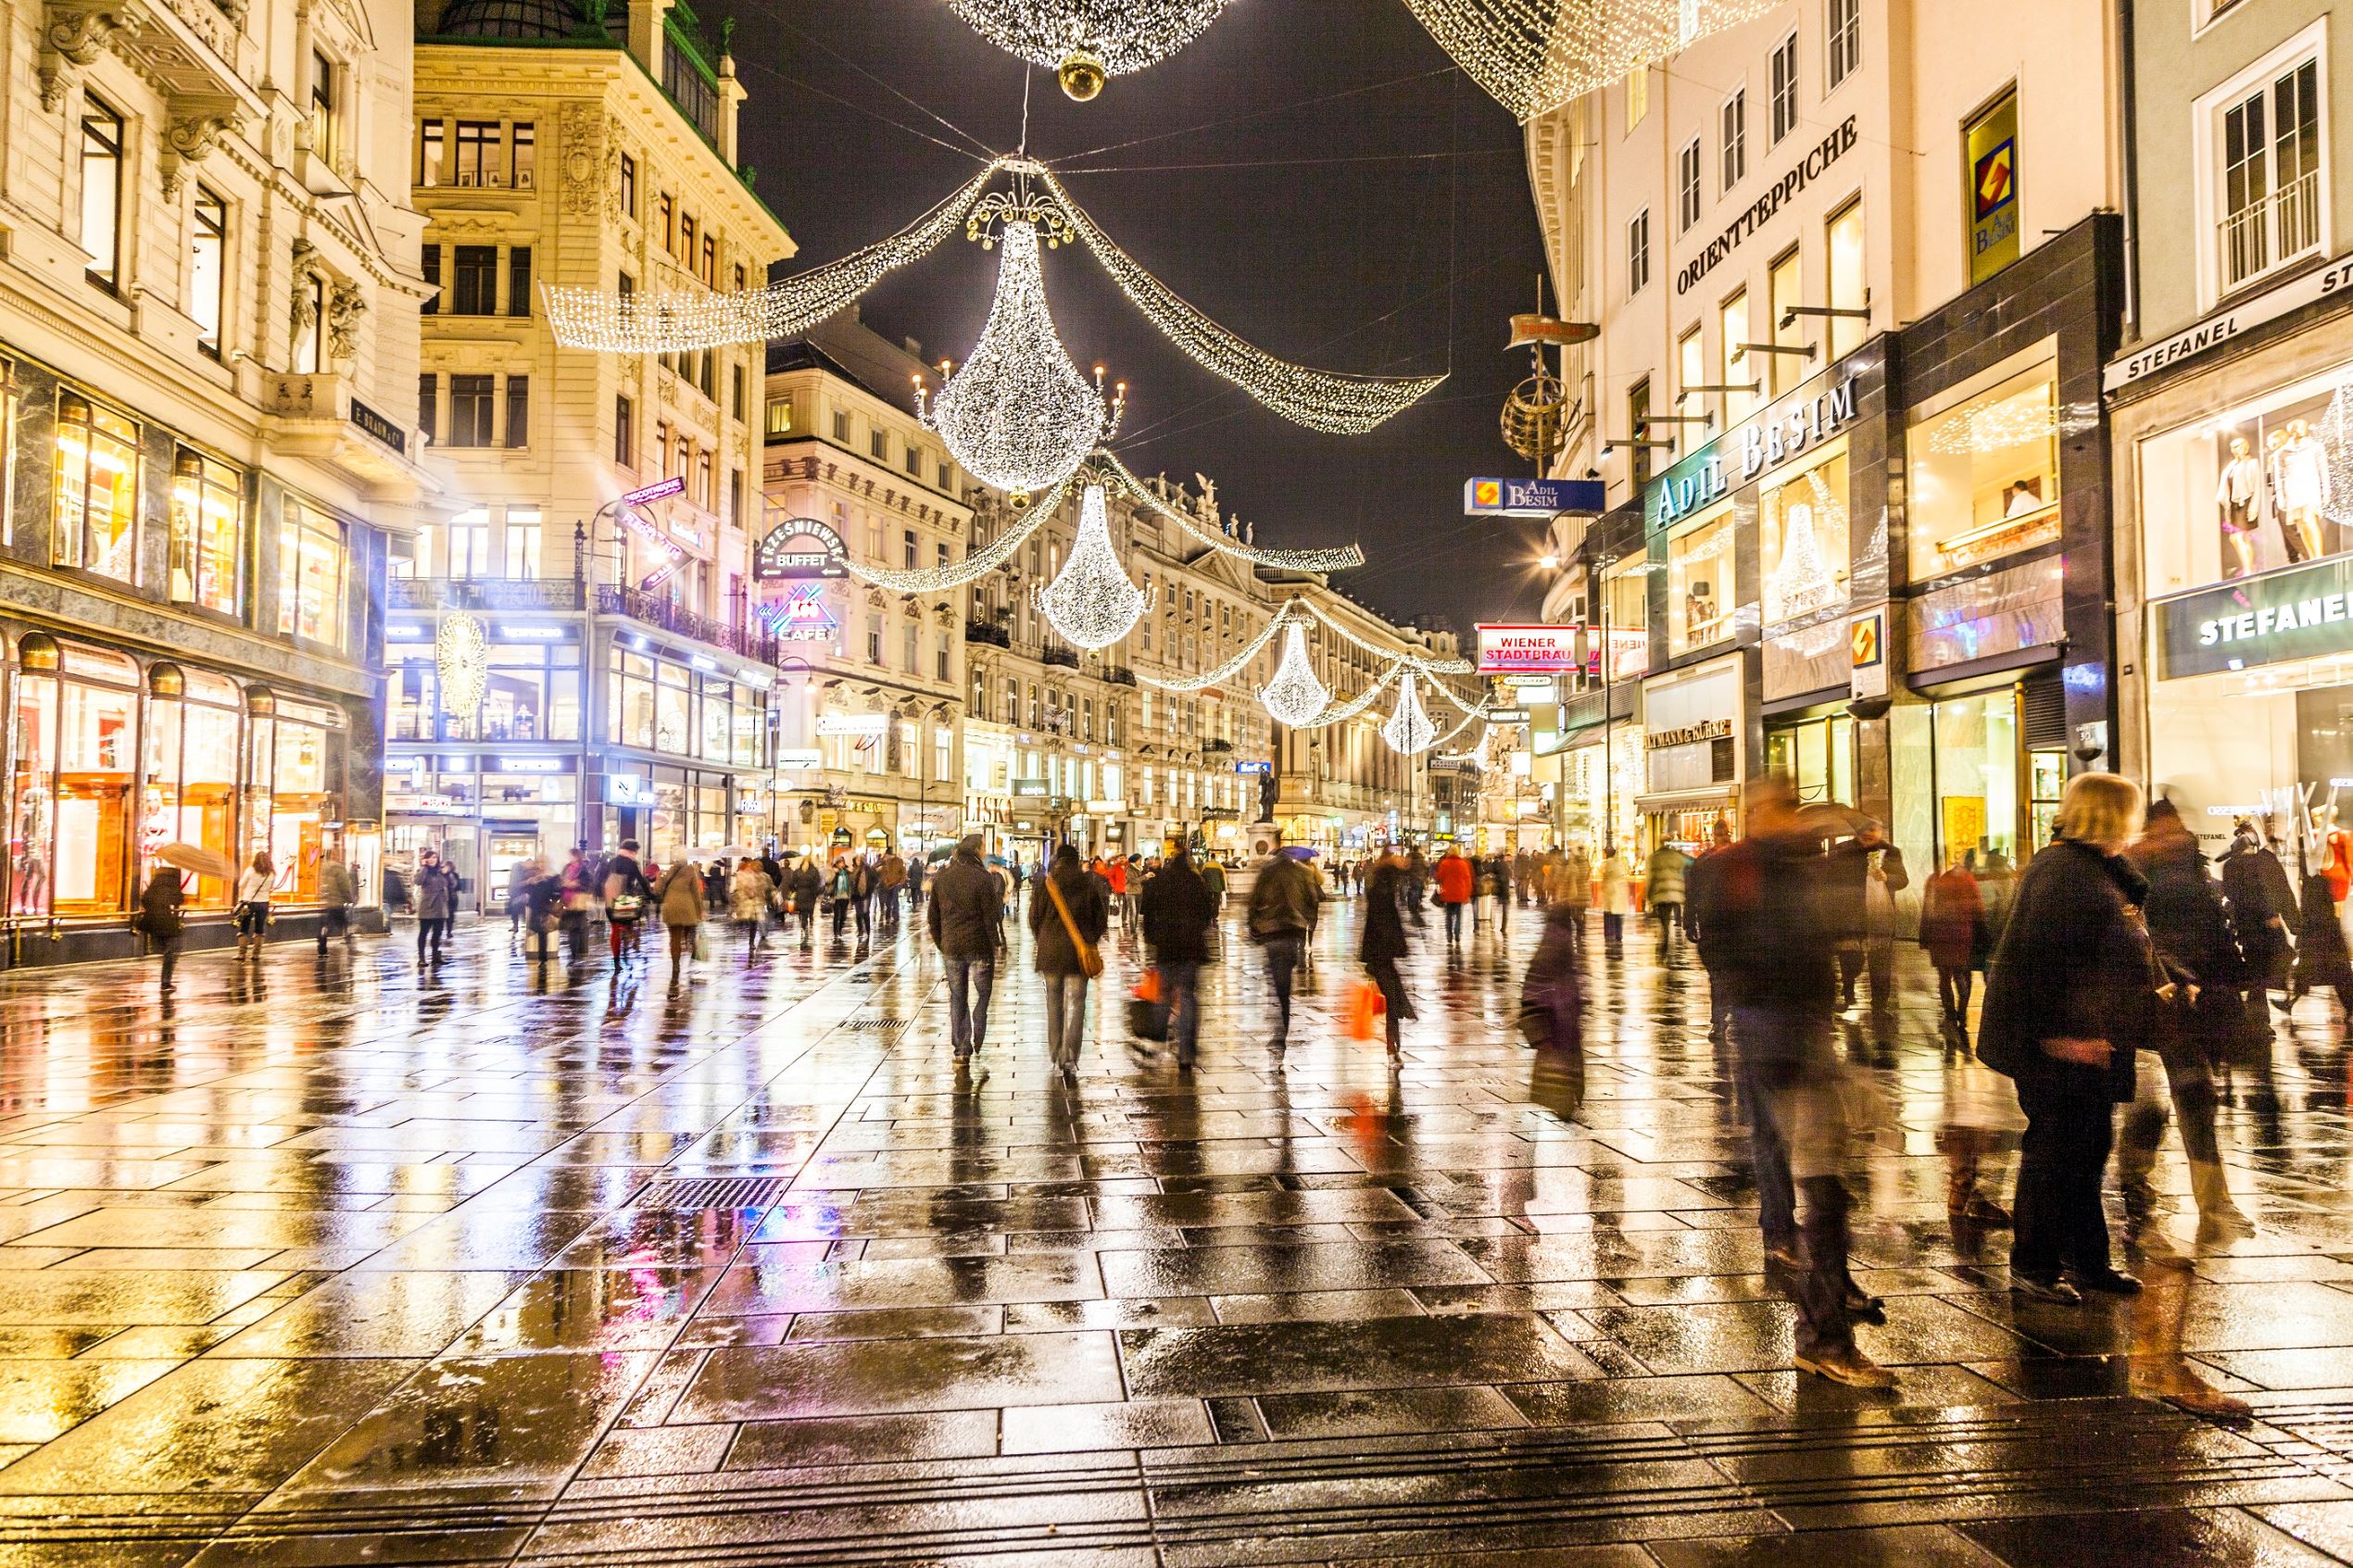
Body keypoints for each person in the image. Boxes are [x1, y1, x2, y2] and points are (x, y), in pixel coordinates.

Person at [1707, 774, 1894, 1388]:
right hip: (1779, 1045)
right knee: (1823, 1187)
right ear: (1757, 812)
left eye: (1788, 808)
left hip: (1806, 1038)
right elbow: (1722, 947)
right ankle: (1823, 1336)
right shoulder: (1742, 870)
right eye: (1774, 809)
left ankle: (1829, 1304)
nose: (1783, 818)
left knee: (1831, 1187)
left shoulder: (1790, 865)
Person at [1979, 772, 2154, 1306]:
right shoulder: (2064, 875)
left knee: (2087, 1147)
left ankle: (2088, 1259)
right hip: (2060, 1045)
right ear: (2112, 815)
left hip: (2091, 1040)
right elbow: (2034, 964)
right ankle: (2034, 1265)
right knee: (2056, 1151)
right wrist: (2058, 1037)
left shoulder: (2094, 870)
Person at [2124, 799, 2255, 1247]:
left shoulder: (2186, 867)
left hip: (2191, 999)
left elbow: (2212, 930)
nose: (2174, 836)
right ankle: (2139, 1187)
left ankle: (2208, 1201)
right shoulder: (2137, 869)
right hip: (2161, 997)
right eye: (2166, 830)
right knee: (2159, 1102)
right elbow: (2139, 934)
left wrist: (2224, 981)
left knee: (2194, 1096)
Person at [1029, 845, 1107, 1082]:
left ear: (1057, 860)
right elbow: (1100, 918)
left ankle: (1055, 1051)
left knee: (1054, 1002)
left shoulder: (1046, 884)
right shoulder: (1088, 883)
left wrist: (1043, 939)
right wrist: (1089, 941)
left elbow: (1034, 918)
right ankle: (1070, 1055)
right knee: (1077, 1003)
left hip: (1051, 953)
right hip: (1077, 952)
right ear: (1076, 860)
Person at [1140, 847, 1218, 1068]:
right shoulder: (1196, 883)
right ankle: (1186, 1052)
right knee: (1187, 997)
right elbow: (1207, 914)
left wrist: (1153, 937)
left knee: (1163, 995)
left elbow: (1147, 913)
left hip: (1167, 948)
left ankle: (1157, 1041)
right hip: (1191, 948)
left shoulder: (1161, 882)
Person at [930, 834, 1003, 1064]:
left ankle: (962, 1047)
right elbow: (990, 917)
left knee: (958, 996)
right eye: (983, 848)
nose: (985, 852)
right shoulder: (982, 878)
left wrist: (942, 943)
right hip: (979, 945)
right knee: (983, 993)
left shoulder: (943, 877)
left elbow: (933, 916)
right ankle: (979, 1018)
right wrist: (995, 944)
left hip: (952, 947)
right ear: (977, 850)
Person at [1829, 821, 1908, 1016]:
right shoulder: (1842, 850)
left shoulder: (1890, 852)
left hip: (1879, 914)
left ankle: (1879, 1004)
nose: (1867, 833)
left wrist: (1887, 877)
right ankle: (1848, 988)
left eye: (1872, 830)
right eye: (1863, 829)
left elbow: (1903, 879)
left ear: (1880, 832)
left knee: (1880, 962)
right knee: (1850, 958)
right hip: (1850, 916)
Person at [1247, 843, 1319, 1055]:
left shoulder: (1267, 871)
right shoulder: (1303, 873)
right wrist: (1305, 922)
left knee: (1275, 981)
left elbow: (1254, 901)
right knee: (1284, 980)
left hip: (1271, 932)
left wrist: (1253, 924)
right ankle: (1282, 1025)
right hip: (1293, 932)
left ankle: (1278, 1024)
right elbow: (1312, 900)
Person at [2218, 820, 2295, 1020]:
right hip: (2266, 923)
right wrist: (2290, 919)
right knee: (2269, 965)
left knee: (2258, 969)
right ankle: (2260, 1017)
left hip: (2248, 924)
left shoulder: (2231, 866)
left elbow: (2233, 894)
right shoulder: (2265, 860)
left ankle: (2259, 1017)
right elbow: (2281, 890)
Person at [1919, 853, 1987, 1041]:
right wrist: (1981, 933)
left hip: (1939, 934)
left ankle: (1950, 1016)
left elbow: (1928, 908)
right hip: (1962, 933)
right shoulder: (1967, 878)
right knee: (1961, 974)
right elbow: (1978, 907)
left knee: (1944, 976)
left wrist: (1924, 936)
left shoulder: (1935, 880)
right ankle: (1962, 1013)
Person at [1361, 845, 1415, 1066]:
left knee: (1393, 999)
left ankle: (1393, 1047)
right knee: (1393, 999)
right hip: (1381, 953)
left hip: (1379, 954)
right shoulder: (1383, 893)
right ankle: (1392, 1048)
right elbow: (1385, 923)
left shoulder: (1377, 886)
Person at [1683, 822, 1737, 1043]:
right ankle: (1720, 1019)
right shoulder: (1709, 861)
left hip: (1727, 924)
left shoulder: (1730, 859)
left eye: (1723, 834)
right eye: (1719, 834)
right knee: (1719, 976)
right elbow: (1692, 893)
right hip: (1716, 924)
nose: (1721, 837)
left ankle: (1722, 1019)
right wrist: (1689, 921)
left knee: (1723, 976)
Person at [655, 856, 704, 985]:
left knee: (674, 938)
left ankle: (676, 964)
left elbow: (658, 890)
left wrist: (658, 878)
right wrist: (700, 909)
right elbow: (695, 892)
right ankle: (688, 944)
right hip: (687, 907)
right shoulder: (691, 871)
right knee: (688, 931)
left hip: (670, 907)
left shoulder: (669, 872)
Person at [603, 840, 652, 962]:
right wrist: (651, 895)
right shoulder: (631, 864)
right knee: (628, 923)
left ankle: (616, 960)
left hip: (610, 900)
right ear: (633, 851)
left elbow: (602, 878)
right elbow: (642, 881)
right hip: (625, 900)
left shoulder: (612, 862)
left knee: (614, 929)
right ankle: (632, 935)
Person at [138, 865, 185, 991]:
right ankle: (165, 982)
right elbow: (179, 900)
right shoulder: (171, 885)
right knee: (173, 949)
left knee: (169, 950)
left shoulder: (155, 885)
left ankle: (165, 979)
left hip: (152, 921)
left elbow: (145, 900)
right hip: (166, 922)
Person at [1645, 839, 1691, 955]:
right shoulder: (1676, 857)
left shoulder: (1655, 858)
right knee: (1671, 915)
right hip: (1675, 893)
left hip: (1661, 893)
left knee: (1664, 920)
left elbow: (1652, 878)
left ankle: (1665, 939)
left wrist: (1649, 895)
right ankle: (1666, 936)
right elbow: (1689, 863)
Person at [412, 849, 450, 963]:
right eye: (430, 857)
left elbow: (451, 884)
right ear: (426, 859)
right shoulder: (423, 870)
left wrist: (447, 873)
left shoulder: (441, 871)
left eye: (435, 857)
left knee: (437, 933)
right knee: (424, 932)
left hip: (440, 906)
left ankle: (435, 956)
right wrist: (424, 867)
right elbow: (418, 881)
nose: (432, 860)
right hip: (427, 906)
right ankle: (421, 958)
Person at [731, 856, 774, 956]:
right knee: (754, 923)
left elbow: (770, 887)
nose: (758, 868)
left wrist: (773, 895)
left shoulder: (765, 876)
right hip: (751, 904)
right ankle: (753, 941)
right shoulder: (748, 876)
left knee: (761, 921)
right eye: (757, 866)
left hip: (760, 903)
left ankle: (760, 938)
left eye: (760, 866)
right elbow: (742, 887)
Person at [559, 847, 596, 961]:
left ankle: (576, 954)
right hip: (567, 901)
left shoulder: (583, 869)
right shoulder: (567, 867)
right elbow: (560, 881)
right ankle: (575, 953)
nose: (569, 857)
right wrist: (564, 884)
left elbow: (589, 883)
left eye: (571, 855)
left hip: (579, 901)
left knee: (576, 928)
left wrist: (577, 884)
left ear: (576, 856)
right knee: (572, 928)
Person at [1434, 846, 1474, 946]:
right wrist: (1467, 893)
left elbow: (1439, 877)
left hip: (1447, 893)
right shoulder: (1463, 864)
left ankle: (1449, 934)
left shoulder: (1445, 863)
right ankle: (1457, 933)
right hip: (1459, 893)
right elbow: (1467, 879)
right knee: (1459, 915)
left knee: (1448, 915)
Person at [1555, 842, 1592, 946]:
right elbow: (1586, 875)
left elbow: (1566, 877)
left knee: (1573, 914)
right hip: (1584, 891)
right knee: (1579, 913)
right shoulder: (1585, 861)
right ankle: (1580, 932)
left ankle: (1579, 929)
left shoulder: (1571, 863)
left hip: (1573, 892)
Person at [1597, 846, 1632, 955]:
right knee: (1618, 915)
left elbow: (1605, 875)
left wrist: (1602, 889)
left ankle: (1609, 935)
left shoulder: (1607, 863)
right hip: (1620, 890)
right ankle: (1619, 935)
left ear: (1607, 853)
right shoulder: (1620, 862)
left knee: (1609, 914)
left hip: (1611, 890)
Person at [788, 853, 824, 951]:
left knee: (802, 913)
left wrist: (795, 890)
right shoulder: (814, 871)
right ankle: (806, 926)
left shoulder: (797, 871)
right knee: (808, 913)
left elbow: (791, 884)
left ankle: (804, 928)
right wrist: (816, 893)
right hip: (810, 896)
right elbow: (817, 884)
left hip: (800, 895)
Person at [1404, 847, 1431, 928]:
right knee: (1417, 891)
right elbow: (1427, 867)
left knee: (1413, 890)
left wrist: (1407, 874)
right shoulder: (1421, 858)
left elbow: (1405, 867)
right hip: (1420, 877)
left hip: (1412, 877)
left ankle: (1413, 905)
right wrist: (1425, 876)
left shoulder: (1409, 857)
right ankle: (1415, 905)